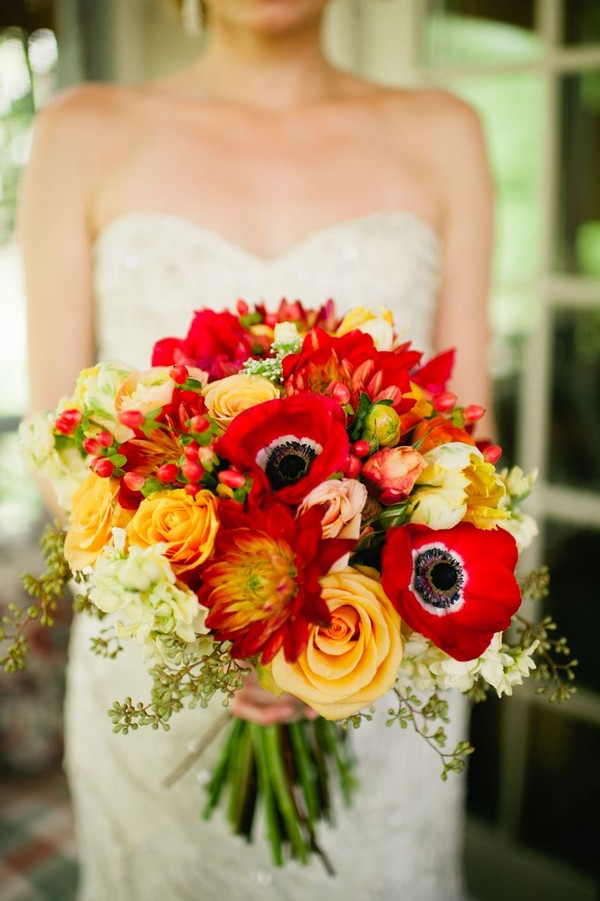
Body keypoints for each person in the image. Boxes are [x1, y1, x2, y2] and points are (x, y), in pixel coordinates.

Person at [18, 1, 493, 898]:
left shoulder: (446, 133)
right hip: (162, 656)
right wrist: (217, 617)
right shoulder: (80, 132)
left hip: (373, 652)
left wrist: (335, 622)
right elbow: (60, 439)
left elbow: (464, 432)